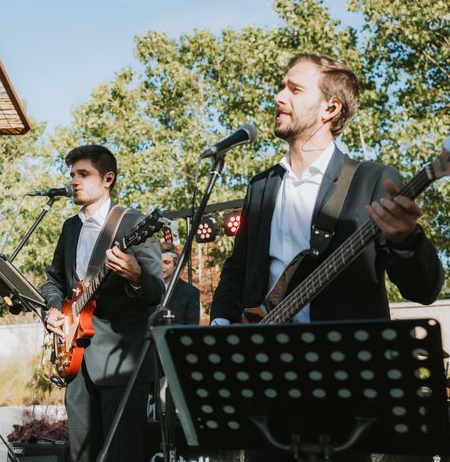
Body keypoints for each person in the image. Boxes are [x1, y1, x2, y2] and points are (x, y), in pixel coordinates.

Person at [210, 54, 444, 460]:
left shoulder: (372, 179)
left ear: (330, 109)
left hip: (344, 377)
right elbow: (237, 268)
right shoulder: (261, 187)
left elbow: (425, 289)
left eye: (294, 89)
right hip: (266, 371)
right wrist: (222, 327)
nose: (279, 96)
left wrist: (407, 240)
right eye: (283, 86)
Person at [42, 145, 164, 462]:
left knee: (123, 454)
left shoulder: (132, 224)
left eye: (83, 174)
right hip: (75, 356)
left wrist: (136, 276)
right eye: (72, 174)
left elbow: (156, 291)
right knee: (81, 454)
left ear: (107, 178)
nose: (74, 181)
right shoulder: (70, 227)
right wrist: (54, 309)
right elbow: (53, 280)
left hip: (121, 360)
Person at [159, 242, 200, 324]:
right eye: (158, 262)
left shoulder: (190, 292)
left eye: (166, 262)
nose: (161, 266)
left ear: (175, 265)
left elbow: (192, 326)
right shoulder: (145, 288)